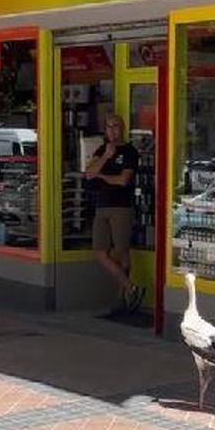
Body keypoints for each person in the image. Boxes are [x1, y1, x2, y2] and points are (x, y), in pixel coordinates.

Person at [85, 113, 145, 313]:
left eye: (117, 126)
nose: (113, 130)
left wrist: (102, 176)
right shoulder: (102, 150)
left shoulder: (130, 152)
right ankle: (131, 287)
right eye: (109, 127)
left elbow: (123, 180)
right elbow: (89, 174)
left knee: (121, 252)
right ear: (105, 130)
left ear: (123, 128)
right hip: (102, 205)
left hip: (121, 207)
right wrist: (105, 157)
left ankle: (124, 298)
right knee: (100, 251)